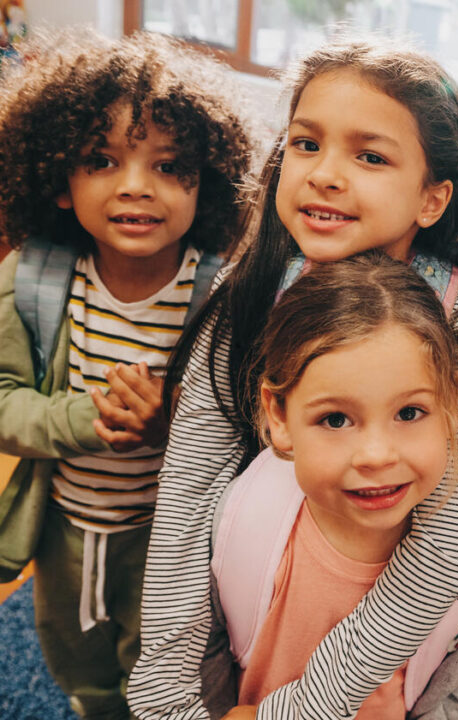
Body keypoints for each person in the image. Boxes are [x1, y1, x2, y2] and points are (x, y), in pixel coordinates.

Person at [128, 37, 458, 720]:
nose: (326, 174)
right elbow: (188, 493)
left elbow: (452, 541)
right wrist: (164, 679)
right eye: (307, 144)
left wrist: (302, 708)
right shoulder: (249, 300)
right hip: (265, 609)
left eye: (369, 156)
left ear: (432, 198)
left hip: (418, 650)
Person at [0, 29, 252, 719]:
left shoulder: (219, 297)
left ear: (211, 182)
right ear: (57, 181)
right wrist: (84, 419)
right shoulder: (34, 279)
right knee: (78, 666)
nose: (137, 187)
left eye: (171, 167)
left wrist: (170, 425)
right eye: (102, 160)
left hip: (169, 542)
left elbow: (248, 428)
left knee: (164, 676)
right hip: (65, 532)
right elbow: (4, 403)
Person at [202, 255, 458, 720]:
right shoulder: (242, 517)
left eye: (409, 413)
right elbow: (203, 655)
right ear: (279, 416)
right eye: (335, 419)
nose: (376, 455)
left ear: (453, 403)